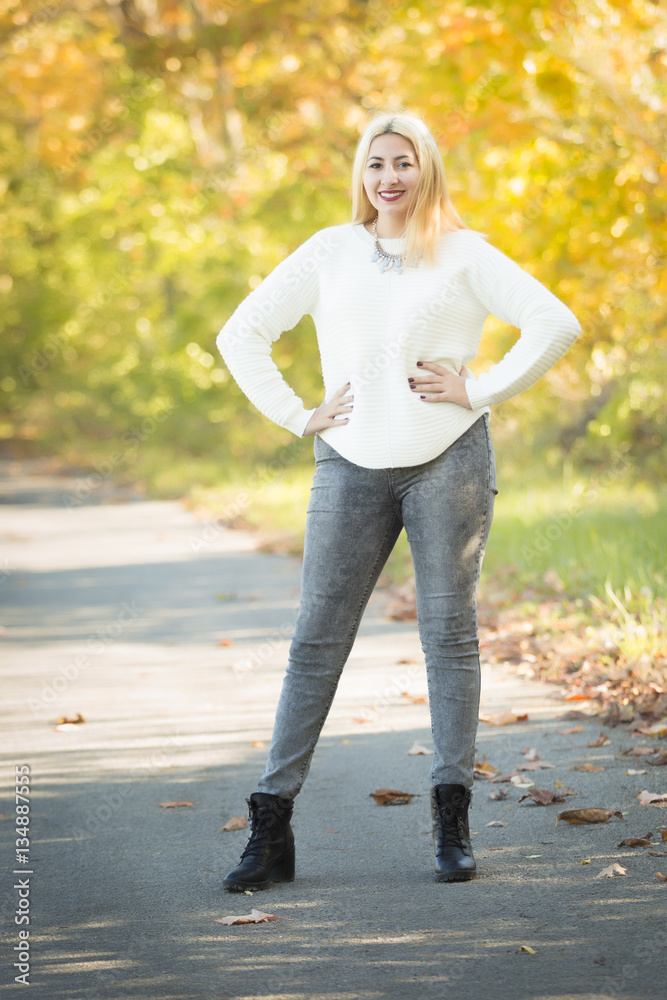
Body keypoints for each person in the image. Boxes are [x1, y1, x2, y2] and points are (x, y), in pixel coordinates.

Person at [216, 110, 580, 888]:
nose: (389, 177)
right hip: (346, 462)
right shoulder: (329, 251)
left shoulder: (464, 255)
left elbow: (555, 322)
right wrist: (295, 414)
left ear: (427, 171)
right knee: (315, 640)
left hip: (446, 460)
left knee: (449, 636)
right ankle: (270, 825)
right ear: (360, 173)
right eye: (376, 163)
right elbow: (241, 332)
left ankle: (451, 821)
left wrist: (478, 390)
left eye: (404, 163)